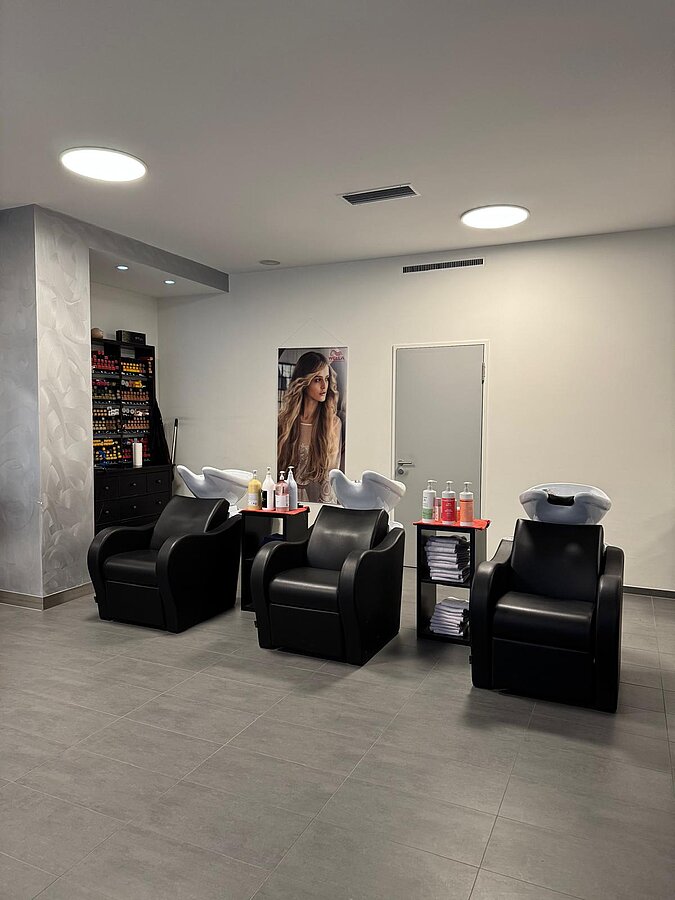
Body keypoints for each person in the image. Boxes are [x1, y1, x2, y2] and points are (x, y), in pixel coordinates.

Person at [277, 351, 343, 503]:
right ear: (304, 382)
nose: (324, 386)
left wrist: (324, 508)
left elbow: (330, 473)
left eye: (326, 379)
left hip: (318, 502)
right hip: (285, 501)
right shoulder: (284, 421)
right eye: (317, 380)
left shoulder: (333, 424)